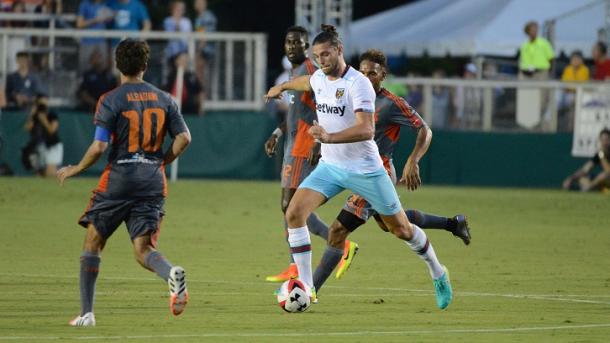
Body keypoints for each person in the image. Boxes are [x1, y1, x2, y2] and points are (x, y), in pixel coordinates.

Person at [265, 24, 453, 309]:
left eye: (326, 54)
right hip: (331, 167)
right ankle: (304, 286)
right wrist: (282, 86)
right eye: (316, 56)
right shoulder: (319, 77)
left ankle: (438, 272)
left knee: (401, 229)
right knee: (294, 213)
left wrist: (328, 137)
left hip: (366, 170)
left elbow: (366, 130)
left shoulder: (358, 83)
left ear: (339, 51)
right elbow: (308, 82)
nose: (321, 61)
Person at [311, 49, 472, 293]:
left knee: (337, 230)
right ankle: (453, 224)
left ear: (383, 75)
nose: (366, 77)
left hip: (374, 172)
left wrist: (413, 160)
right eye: (362, 72)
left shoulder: (391, 103)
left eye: (372, 73)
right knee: (393, 226)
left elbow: (424, 130)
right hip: (348, 167)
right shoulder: (349, 93)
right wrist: (319, 143)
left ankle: (308, 291)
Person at [56, 39, 191, 326]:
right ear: (145, 65)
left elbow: (99, 147)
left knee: (93, 242)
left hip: (118, 180)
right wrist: (162, 161)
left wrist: (76, 168)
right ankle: (170, 274)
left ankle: (87, 313)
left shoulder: (110, 99)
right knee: (143, 250)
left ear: (118, 65)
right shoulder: (165, 98)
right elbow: (185, 138)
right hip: (153, 182)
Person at [263, 26, 357, 283]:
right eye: (288, 42)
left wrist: (318, 141)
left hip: (305, 145)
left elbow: (327, 107)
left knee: (290, 206)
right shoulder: (295, 73)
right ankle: (297, 264)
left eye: (298, 42)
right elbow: (294, 115)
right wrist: (276, 133)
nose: (292, 46)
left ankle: (335, 245)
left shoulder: (311, 71)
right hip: (293, 143)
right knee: (290, 207)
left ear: (307, 47)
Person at [23, 95, 62, 176]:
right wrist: (32, 114)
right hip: (39, 145)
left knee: (50, 174)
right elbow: (27, 128)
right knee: (39, 172)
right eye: (40, 104)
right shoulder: (35, 116)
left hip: (52, 145)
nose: (42, 106)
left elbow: (52, 130)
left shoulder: (52, 115)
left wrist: (43, 119)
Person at [76, 0, 113, 71]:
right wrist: (95, 20)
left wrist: (110, 17)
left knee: (103, 68)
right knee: (85, 69)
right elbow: (79, 24)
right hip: (87, 42)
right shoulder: (84, 4)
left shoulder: (106, 3)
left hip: (101, 41)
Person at [559, 51, 589, 131]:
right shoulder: (568, 69)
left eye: (577, 59)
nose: (575, 61)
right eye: (573, 59)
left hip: (580, 94)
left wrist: (571, 86)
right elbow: (565, 82)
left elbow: (581, 84)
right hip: (567, 93)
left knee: (574, 105)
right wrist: (570, 87)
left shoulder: (585, 69)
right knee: (557, 100)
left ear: (581, 60)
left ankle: (572, 128)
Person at [193, 0, 217, 94]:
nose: (198, 5)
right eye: (197, 3)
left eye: (201, 3)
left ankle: (202, 98)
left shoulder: (207, 16)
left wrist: (198, 52)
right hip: (202, 50)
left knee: (202, 76)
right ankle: (200, 97)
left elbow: (204, 36)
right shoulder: (199, 17)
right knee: (200, 75)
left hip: (206, 51)